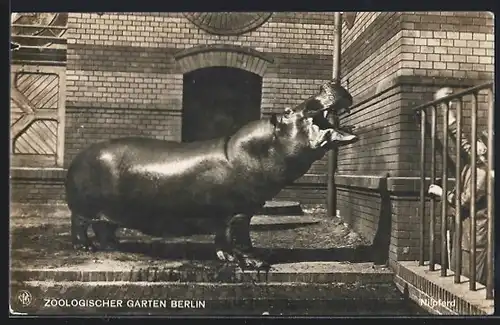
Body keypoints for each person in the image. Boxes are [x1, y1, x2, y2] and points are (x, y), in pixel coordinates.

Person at [427, 87, 491, 285]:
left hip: (477, 237)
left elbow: (465, 201)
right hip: (467, 231)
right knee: (459, 275)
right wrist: (447, 108)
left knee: (471, 280)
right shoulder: (477, 161)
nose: (480, 145)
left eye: (484, 142)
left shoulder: (483, 171)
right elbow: (459, 137)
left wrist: (441, 193)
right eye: (480, 140)